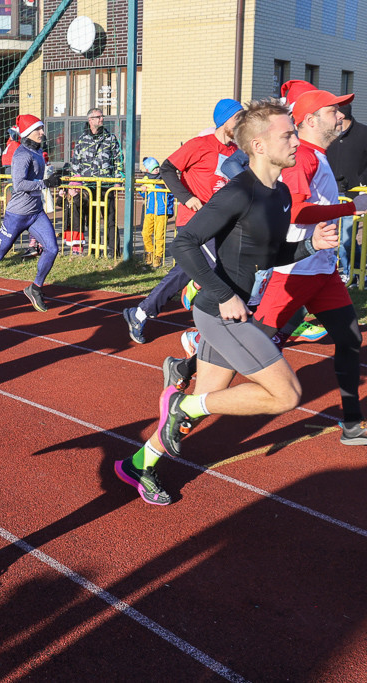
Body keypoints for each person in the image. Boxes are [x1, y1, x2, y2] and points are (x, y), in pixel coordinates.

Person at [114, 99, 338, 506]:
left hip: (237, 309)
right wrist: (225, 294)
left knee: (200, 411)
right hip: (220, 311)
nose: (295, 140)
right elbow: (184, 244)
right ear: (257, 144)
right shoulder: (238, 193)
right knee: (286, 395)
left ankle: (139, 464)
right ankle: (181, 402)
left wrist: (309, 245)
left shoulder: (280, 194)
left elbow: (266, 256)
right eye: (287, 134)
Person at [247, 89, 367, 444]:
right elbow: (297, 211)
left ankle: (351, 422)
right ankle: (189, 370)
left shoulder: (319, 155)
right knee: (253, 342)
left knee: (349, 338)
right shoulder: (304, 158)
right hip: (295, 269)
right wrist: (351, 207)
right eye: (334, 111)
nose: (341, 116)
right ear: (311, 121)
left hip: (323, 270)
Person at [122, 99, 242, 344]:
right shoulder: (200, 145)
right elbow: (167, 168)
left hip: (221, 221)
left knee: (194, 269)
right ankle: (205, 317)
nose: (242, 123)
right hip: (194, 220)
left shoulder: (237, 152)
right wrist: (187, 198)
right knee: (207, 265)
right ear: (224, 121)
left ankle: (142, 312)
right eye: (238, 118)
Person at [0, 114, 60, 312]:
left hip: (36, 213)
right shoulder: (22, 154)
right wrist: (45, 183)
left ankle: (35, 288)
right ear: (28, 133)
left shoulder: (38, 151)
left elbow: (38, 177)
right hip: (17, 215)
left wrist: (54, 178)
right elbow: (19, 184)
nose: (42, 132)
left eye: (42, 128)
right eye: (38, 129)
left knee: (52, 249)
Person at [70, 108, 123, 254]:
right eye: (98, 117)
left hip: (106, 185)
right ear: (90, 120)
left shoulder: (110, 138)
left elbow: (118, 160)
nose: (102, 119)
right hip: (88, 187)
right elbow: (76, 163)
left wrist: (118, 180)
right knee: (91, 220)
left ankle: (113, 250)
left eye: (102, 117)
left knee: (110, 219)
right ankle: (93, 249)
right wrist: (75, 184)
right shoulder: (82, 139)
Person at [326, 102, 367, 283]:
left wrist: (361, 181)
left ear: (342, 117)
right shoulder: (329, 135)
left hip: (353, 196)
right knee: (335, 238)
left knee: (346, 240)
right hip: (331, 195)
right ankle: (348, 274)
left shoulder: (363, 134)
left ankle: (354, 274)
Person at [140, 157, 175, 267]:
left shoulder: (164, 179)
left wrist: (168, 210)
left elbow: (170, 195)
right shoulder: (146, 180)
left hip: (161, 211)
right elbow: (144, 195)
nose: (156, 170)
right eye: (153, 168)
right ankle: (149, 253)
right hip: (150, 211)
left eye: (157, 167)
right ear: (148, 170)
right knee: (145, 233)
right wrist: (143, 190)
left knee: (159, 235)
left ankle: (158, 257)